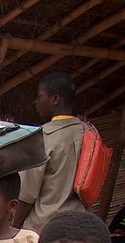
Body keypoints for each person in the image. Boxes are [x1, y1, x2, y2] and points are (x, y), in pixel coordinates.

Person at [14, 72, 86, 233]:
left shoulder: (42, 138)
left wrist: (14, 230)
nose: (36, 102)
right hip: (79, 226)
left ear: (55, 99)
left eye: (40, 97)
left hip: (43, 228)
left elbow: (27, 195)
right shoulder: (89, 133)